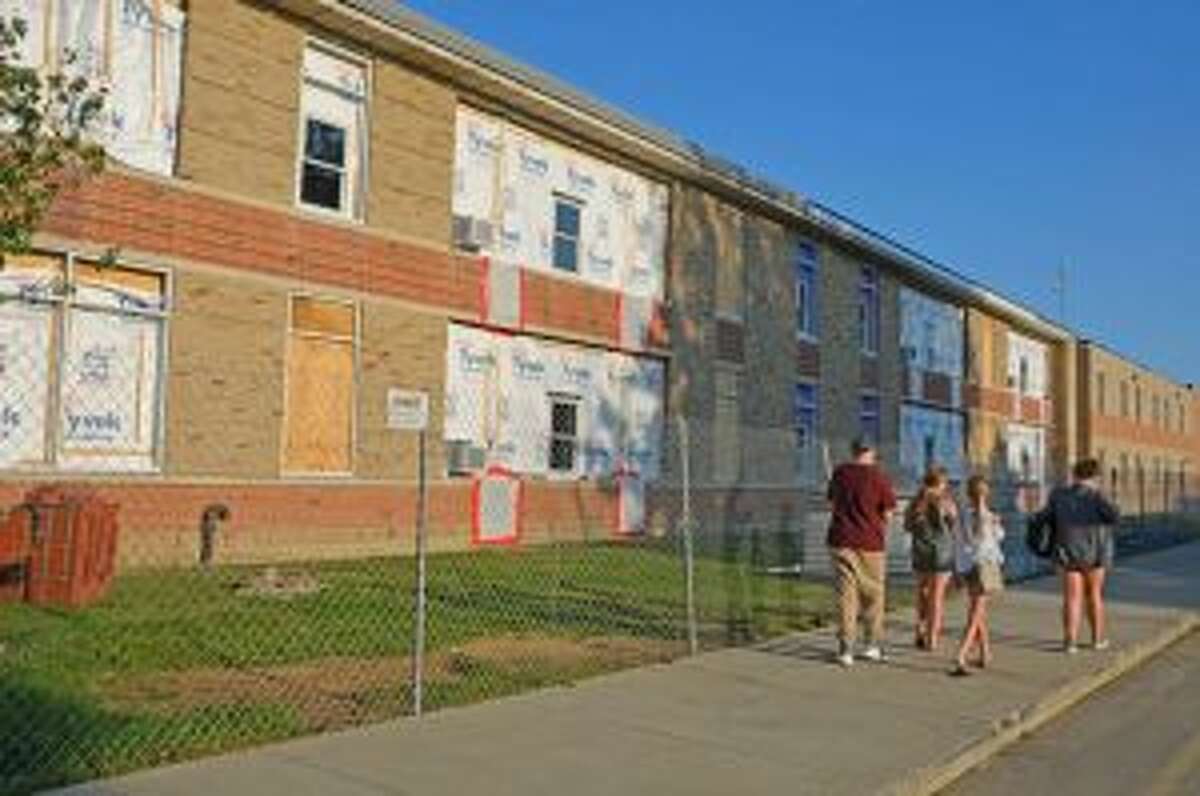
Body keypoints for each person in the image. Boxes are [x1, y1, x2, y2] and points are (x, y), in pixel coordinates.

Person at [1030, 458, 1120, 654]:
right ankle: (1097, 639)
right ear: (1096, 476)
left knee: (1072, 598)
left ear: (1075, 474)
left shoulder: (1058, 495)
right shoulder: (1097, 496)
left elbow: (1043, 517)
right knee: (1094, 595)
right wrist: (1102, 495)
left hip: (1066, 552)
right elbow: (1114, 516)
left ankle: (1070, 642)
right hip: (1096, 554)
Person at [827, 437, 898, 667]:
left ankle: (845, 649)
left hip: (841, 539)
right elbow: (888, 513)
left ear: (853, 450)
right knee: (873, 595)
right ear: (872, 451)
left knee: (847, 595)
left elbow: (832, 503)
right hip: (870, 542)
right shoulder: (879, 477)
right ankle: (871, 645)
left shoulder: (840, 473)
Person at [951, 475, 1006, 675]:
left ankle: (985, 652)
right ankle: (961, 654)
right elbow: (992, 538)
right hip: (985, 564)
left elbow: (958, 542)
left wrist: (958, 568)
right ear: (986, 493)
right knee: (976, 612)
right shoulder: (987, 516)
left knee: (978, 609)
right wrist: (994, 523)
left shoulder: (962, 516)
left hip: (968, 565)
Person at [904, 467, 956, 651]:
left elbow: (907, 526)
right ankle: (932, 638)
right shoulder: (945, 500)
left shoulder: (916, 501)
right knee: (937, 597)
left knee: (922, 592)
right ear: (941, 483)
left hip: (920, 552)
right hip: (942, 553)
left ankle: (919, 630)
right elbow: (954, 524)